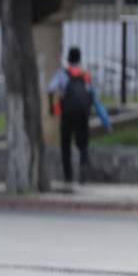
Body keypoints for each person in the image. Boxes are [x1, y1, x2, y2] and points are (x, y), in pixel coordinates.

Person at [47, 46, 113, 184]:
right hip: (83, 113)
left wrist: (51, 108)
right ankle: (83, 166)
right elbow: (94, 100)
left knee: (65, 145)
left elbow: (50, 88)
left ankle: (68, 176)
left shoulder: (62, 74)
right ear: (79, 59)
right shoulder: (86, 76)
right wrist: (106, 122)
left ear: (68, 59)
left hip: (67, 113)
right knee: (83, 143)